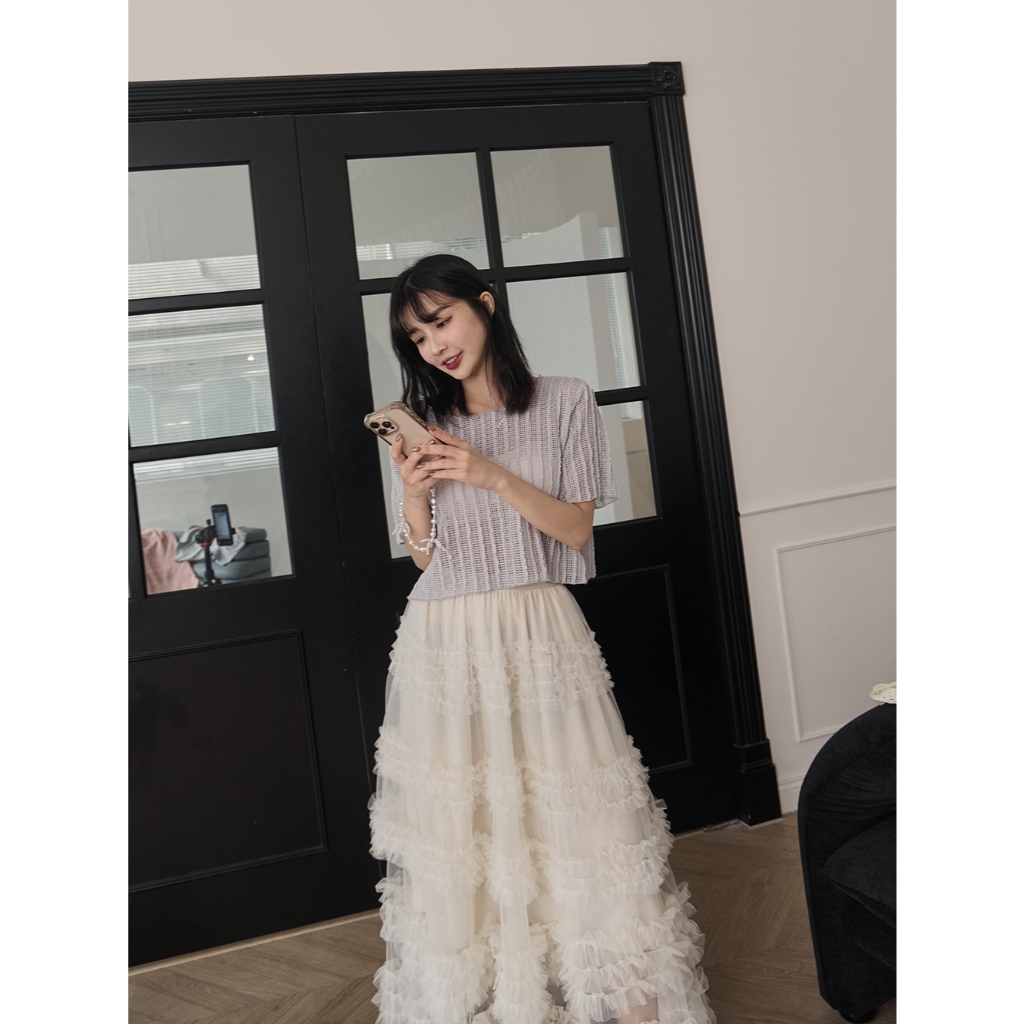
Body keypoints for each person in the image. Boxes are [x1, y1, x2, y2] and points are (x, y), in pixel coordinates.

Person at [369, 253, 715, 1024]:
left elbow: (575, 529)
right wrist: (415, 493)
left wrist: (489, 474)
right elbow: (424, 557)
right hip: (445, 641)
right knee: (469, 831)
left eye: (441, 320)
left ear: (486, 304)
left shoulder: (565, 401)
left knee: (581, 817)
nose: (434, 344)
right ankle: (503, 1001)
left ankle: (625, 999)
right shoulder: (428, 423)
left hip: (536, 628)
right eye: (417, 337)